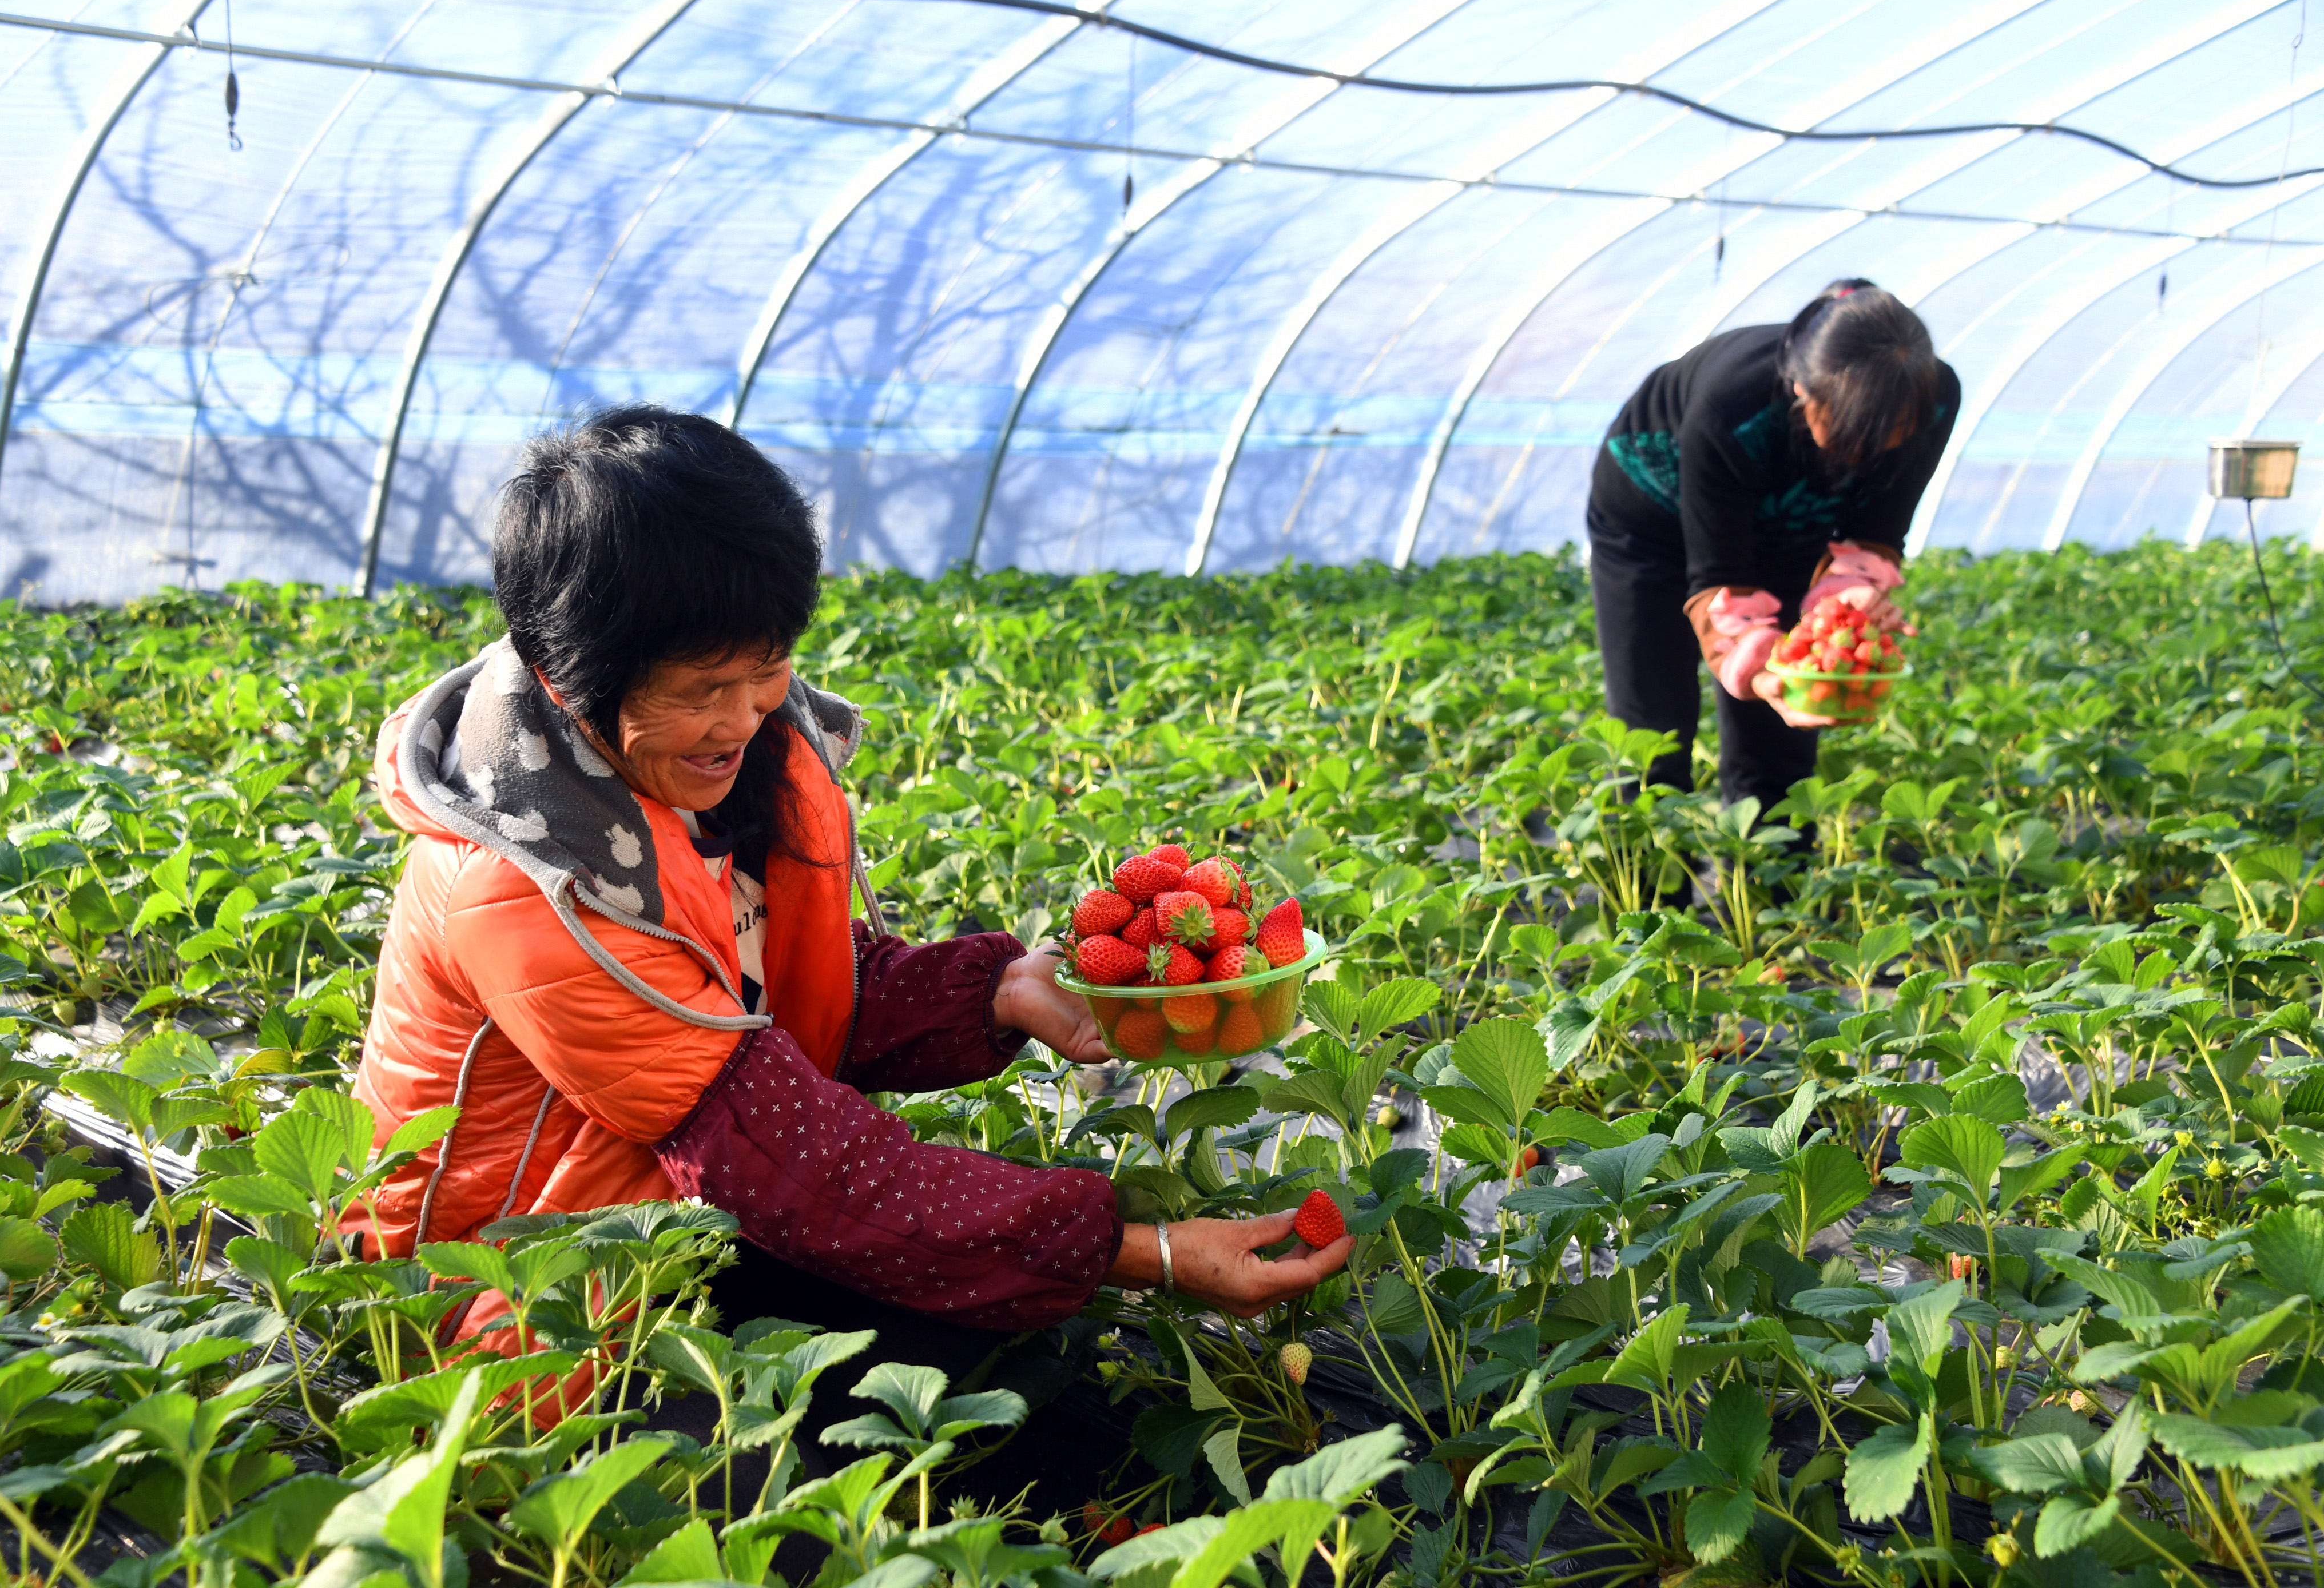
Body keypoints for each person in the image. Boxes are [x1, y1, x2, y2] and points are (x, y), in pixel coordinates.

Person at [345, 405, 1351, 1500]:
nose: (743, 716)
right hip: (524, 1300)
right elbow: (779, 1154)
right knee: (878, 1470)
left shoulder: (715, 768)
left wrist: (999, 989)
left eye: (766, 663)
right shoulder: (526, 881)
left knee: (1022, 1399)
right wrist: (1140, 1248)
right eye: (699, 689)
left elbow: (781, 986)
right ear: (568, 676)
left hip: (678, 1210)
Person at [1586, 279, 1960, 816]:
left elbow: (1878, 528)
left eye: (1886, 437)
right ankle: (1650, 893)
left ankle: (1773, 892)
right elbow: (1717, 574)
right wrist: (1752, 666)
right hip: (1650, 525)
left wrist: (1848, 598)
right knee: (1653, 731)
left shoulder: (1934, 397)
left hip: (1789, 529)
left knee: (1782, 737)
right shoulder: (1732, 402)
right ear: (1803, 392)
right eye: (1850, 436)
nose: (1865, 457)